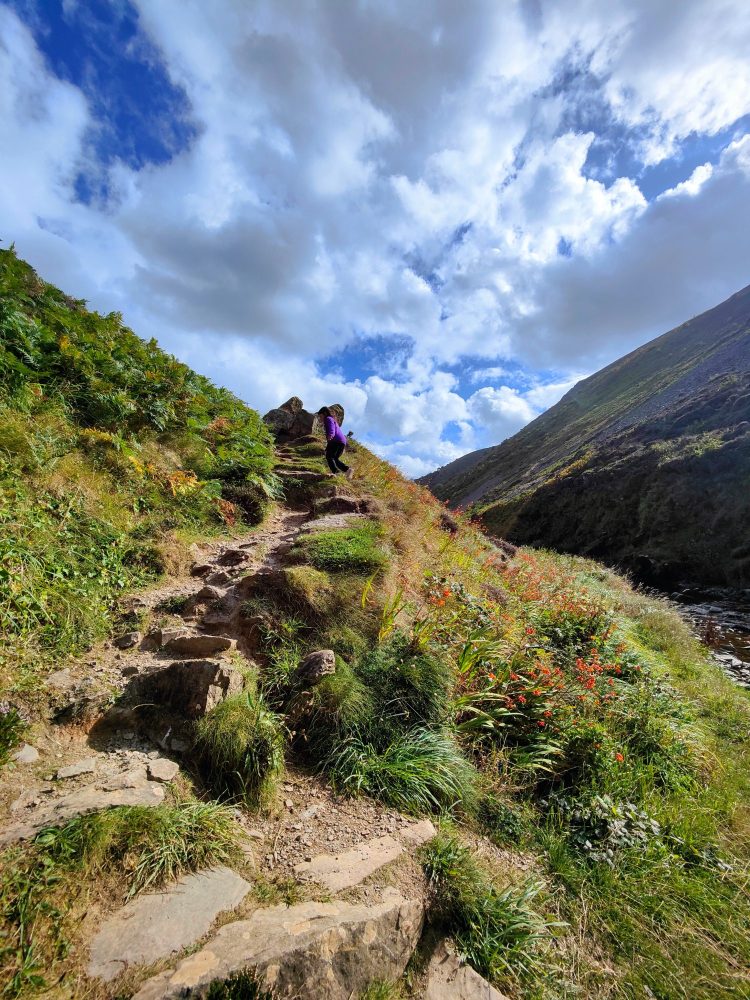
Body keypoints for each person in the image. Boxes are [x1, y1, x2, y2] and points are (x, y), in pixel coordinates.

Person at [318, 406, 351, 477]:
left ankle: (336, 473)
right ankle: (348, 470)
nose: (320, 418)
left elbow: (331, 428)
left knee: (329, 457)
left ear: (325, 413)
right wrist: (327, 447)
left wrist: (330, 435)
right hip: (341, 441)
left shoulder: (328, 419)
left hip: (336, 440)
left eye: (320, 416)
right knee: (334, 458)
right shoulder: (332, 419)